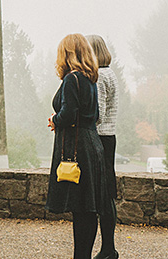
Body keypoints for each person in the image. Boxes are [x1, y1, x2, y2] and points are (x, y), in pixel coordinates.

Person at [45, 34, 110, 259]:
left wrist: (55, 120)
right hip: (92, 145)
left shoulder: (72, 79)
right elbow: (96, 115)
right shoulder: (90, 79)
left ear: (67, 54)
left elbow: (70, 114)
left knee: (80, 207)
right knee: (87, 207)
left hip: (77, 148)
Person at [86, 35, 119, 259]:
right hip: (110, 137)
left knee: (102, 196)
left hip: (100, 138)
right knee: (107, 194)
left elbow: (98, 115)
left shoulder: (99, 77)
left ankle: (108, 249)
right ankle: (109, 247)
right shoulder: (111, 74)